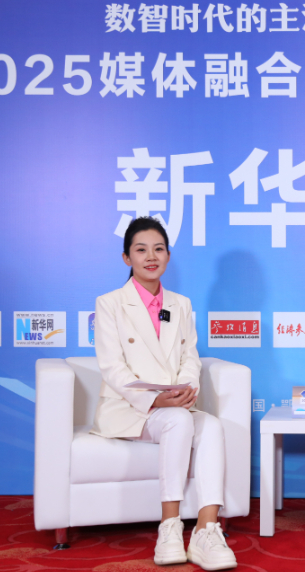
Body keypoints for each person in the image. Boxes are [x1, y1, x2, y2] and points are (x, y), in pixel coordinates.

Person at [90, 216, 237, 570]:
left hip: (174, 403)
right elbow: (112, 367)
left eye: (158, 249)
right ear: (126, 257)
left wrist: (185, 390)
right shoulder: (110, 303)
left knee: (212, 426)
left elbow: (190, 357)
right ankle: (170, 527)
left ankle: (206, 530)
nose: (151, 257)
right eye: (141, 250)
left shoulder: (180, 303)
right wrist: (154, 399)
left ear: (168, 256)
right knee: (176, 421)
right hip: (129, 408)